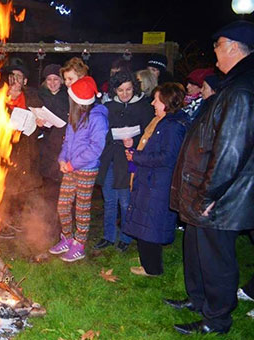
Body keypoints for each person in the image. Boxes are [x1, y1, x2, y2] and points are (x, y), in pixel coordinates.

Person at [167, 21, 254, 335]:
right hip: (201, 189)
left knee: (216, 259)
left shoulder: (243, 88)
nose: (214, 51)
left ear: (232, 45)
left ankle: (216, 319)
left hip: (219, 198)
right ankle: (198, 299)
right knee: (195, 249)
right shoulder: (233, 83)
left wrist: (209, 194)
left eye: (217, 45)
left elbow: (231, 148)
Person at [123, 83, 188, 276]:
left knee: (150, 226)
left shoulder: (172, 126)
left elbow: (167, 157)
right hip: (151, 181)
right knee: (147, 224)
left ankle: (152, 268)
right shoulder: (164, 121)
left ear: (167, 102)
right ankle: (148, 260)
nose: (153, 103)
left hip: (157, 183)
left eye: (157, 100)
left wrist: (136, 157)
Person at [48, 76, 108, 262]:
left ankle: (79, 244)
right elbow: (67, 142)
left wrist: (73, 164)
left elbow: (96, 148)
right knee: (63, 205)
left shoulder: (97, 118)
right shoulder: (75, 115)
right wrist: (62, 159)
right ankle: (67, 238)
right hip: (70, 168)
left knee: (82, 208)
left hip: (86, 169)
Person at [93, 71, 154, 252]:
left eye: (128, 89)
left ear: (134, 88)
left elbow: (148, 134)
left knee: (126, 201)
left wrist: (133, 142)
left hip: (129, 160)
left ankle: (126, 237)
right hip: (110, 158)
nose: (125, 94)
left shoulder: (143, 107)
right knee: (110, 199)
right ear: (115, 90)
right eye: (121, 90)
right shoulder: (109, 106)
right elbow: (102, 129)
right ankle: (108, 236)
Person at [0, 63, 43, 238]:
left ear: (25, 80)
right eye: (12, 76)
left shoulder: (32, 97)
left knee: (24, 185)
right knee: (4, 185)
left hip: (26, 147)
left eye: (19, 77)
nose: (15, 80)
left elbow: (41, 118)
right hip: (5, 148)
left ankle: (19, 220)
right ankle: (3, 222)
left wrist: (39, 122)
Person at [37, 64, 69, 238]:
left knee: (63, 194)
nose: (53, 83)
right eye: (49, 79)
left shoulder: (68, 97)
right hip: (46, 150)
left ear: (61, 80)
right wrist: (38, 122)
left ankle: (63, 229)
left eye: (56, 79)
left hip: (63, 150)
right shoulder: (39, 97)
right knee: (48, 192)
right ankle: (47, 228)